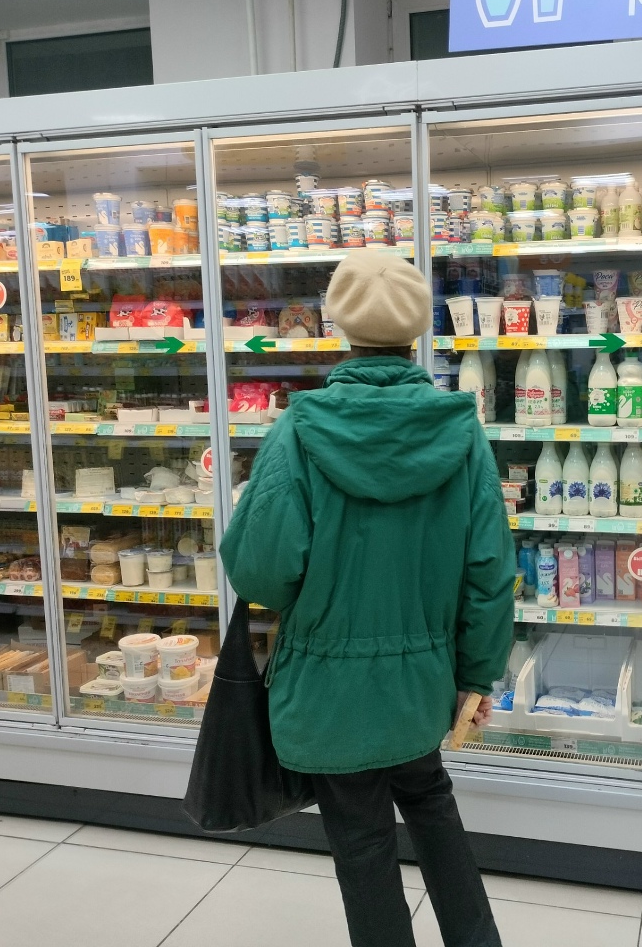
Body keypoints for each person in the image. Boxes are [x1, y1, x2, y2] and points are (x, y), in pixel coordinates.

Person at [219, 249, 514, 947]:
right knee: (433, 809)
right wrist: (475, 675)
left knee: (361, 845)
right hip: (423, 683)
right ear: (418, 328)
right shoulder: (461, 431)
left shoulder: (298, 431)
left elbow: (259, 573)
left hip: (328, 687)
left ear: (340, 324)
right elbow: (489, 571)